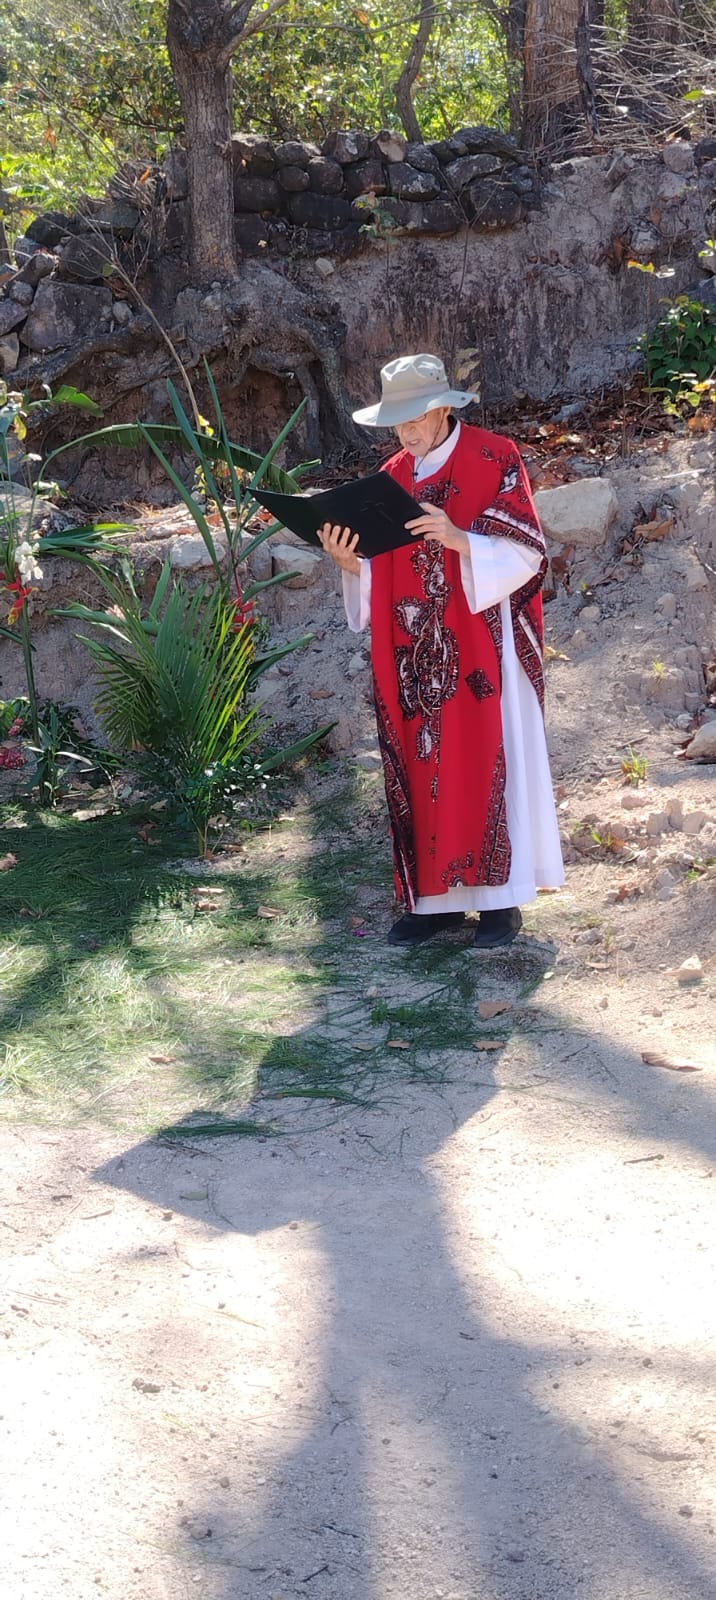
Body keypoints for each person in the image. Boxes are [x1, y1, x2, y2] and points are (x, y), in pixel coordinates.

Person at [317, 353, 564, 947]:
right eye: (395, 422)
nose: (405, 433)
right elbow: (380, 573)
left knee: (485, 761)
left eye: (413, 419)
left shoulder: (494, 457)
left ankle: (500, 904)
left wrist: (461, 539)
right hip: (413, 656)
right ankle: (434, 904)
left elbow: (529, 553)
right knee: (423, 765)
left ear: (442, 409)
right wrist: (349, 564)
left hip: (483, 643)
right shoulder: (389, 478)